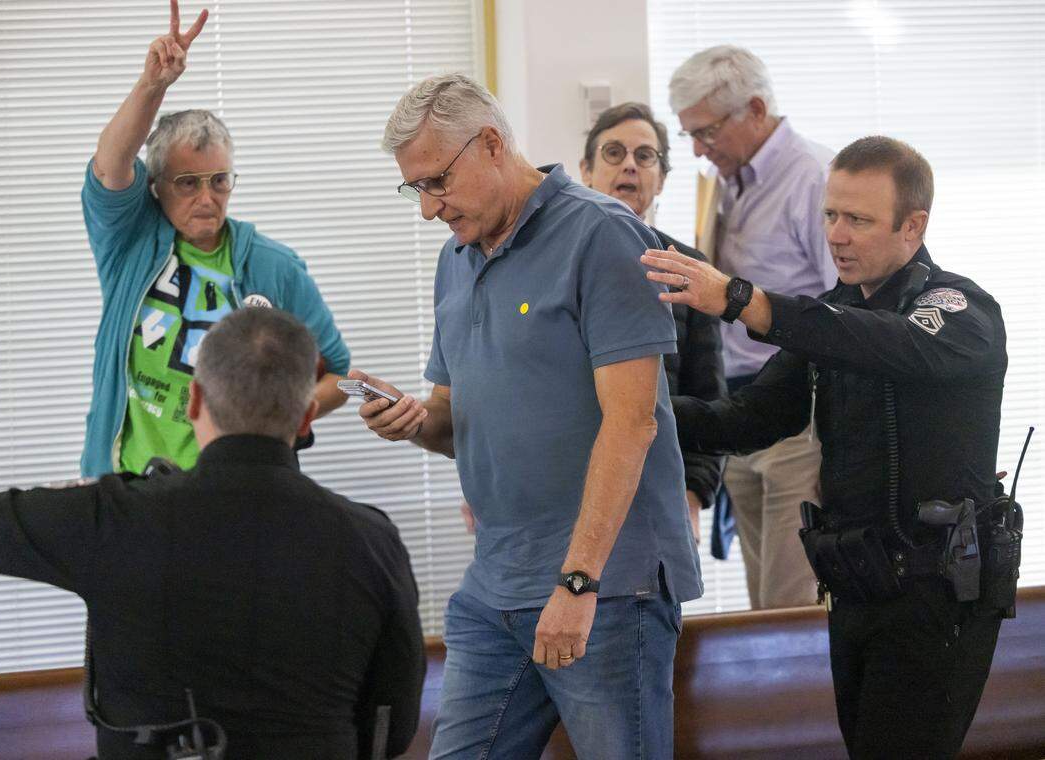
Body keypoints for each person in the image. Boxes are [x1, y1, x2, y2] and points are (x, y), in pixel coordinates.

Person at [353, 73, 702, 759]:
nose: (428, 209)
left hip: (607, 585)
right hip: (496, 585)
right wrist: (413, 420)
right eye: (416, 189)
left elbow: (633, 424)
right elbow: (454, 422)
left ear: (490, 144)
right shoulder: (456, 260)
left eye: (436, 182)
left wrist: (579, 581)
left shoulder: (602, 236)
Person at [0, 308, 424, 759]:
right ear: (308, 415)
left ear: (194, 400)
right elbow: (394, 725)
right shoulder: (373, 541)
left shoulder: (110, 519)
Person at [643, 136, 1008, 758]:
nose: (836, 235)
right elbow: (746, 420)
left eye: (858, 220)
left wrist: (741, 300)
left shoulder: (958, 309)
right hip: (858, 587)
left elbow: (885, 343)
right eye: (831, 215)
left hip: (935, 597)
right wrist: (634, 413)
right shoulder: (832, 315)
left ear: (912, 226)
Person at [80, 0, 349, 477]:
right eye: (188, 182)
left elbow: (338, 373)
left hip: (234, 489)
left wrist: (280, 416)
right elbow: (110, 161)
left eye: (219, 180)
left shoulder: (274, 266)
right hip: (127, 483)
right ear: (156, 187)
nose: (207, 197)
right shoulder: (130, 243)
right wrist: (153, 84)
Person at [667, 44, 837, 609]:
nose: (697, 148)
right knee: (762, 604)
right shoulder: (728, 182)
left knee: (794, 603)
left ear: (756, 109)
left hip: (797, 413)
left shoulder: (814, 179)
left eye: (707, 132)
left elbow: (849, 310)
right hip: (738, 411)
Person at [579, 101, 726, 543]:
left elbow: (708, 399)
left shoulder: (691, 271)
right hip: (567, 492)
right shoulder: (551, 265)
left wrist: (695, 495)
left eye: (645, 157)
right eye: (614, 153)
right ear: (586, 170)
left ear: (661, 178)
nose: (629, 166)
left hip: (658, 496)